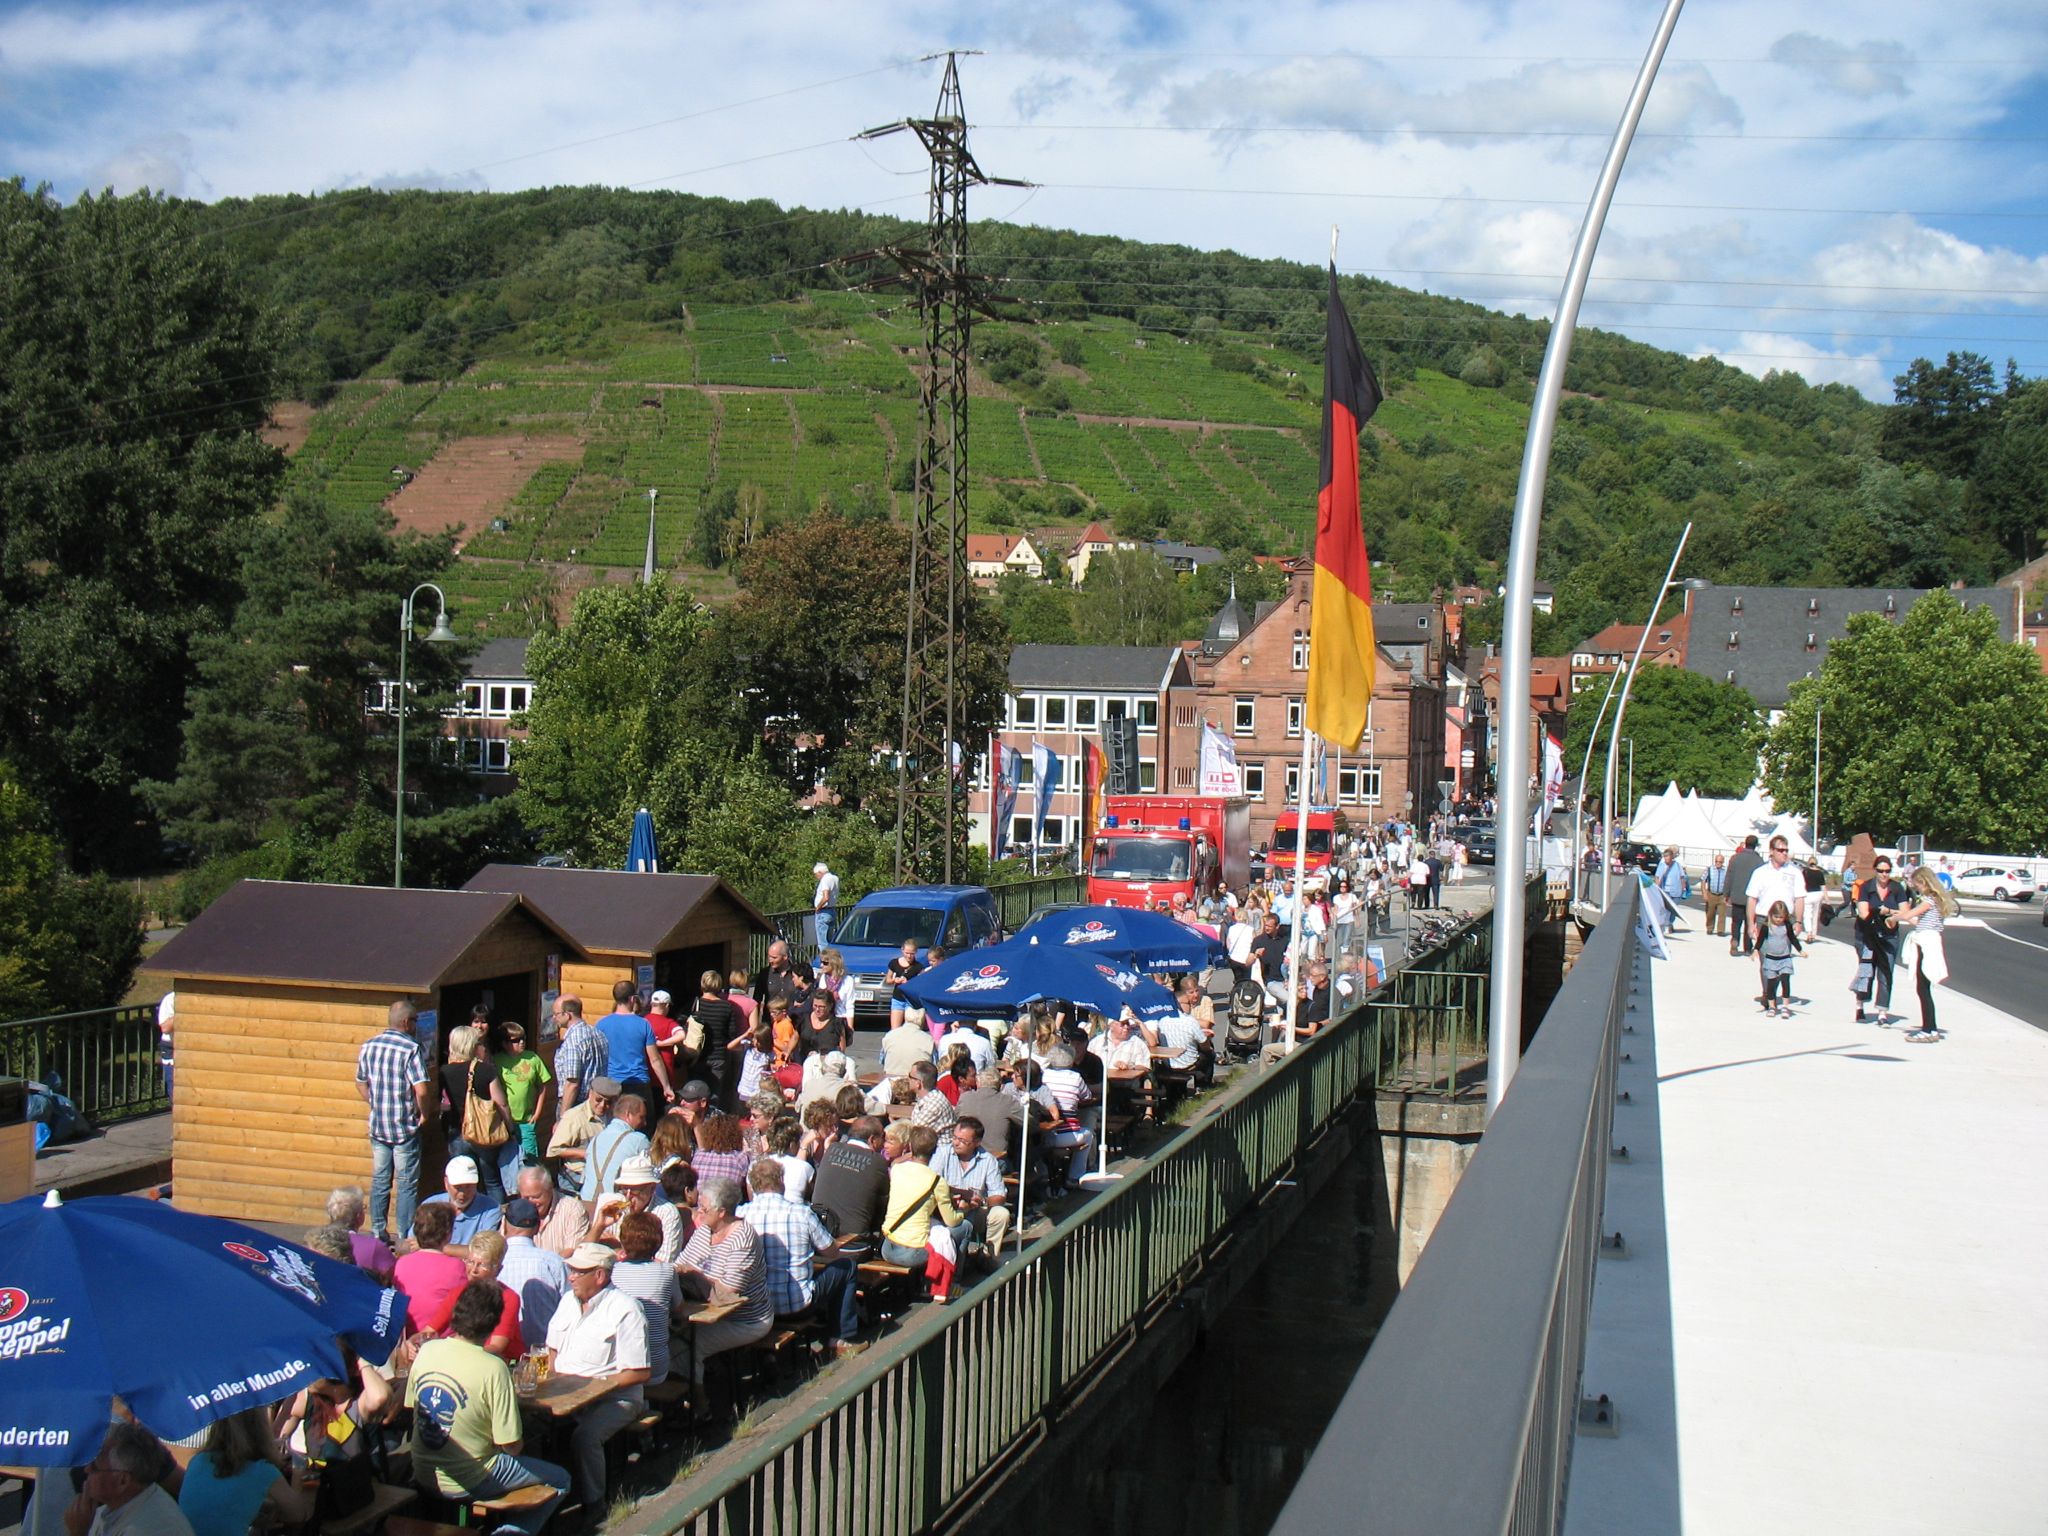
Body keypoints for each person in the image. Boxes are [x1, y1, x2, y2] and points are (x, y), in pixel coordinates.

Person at [411, 1279, 569, 1535]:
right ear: (494, 1322)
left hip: (423, 1470)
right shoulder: (494, 1367)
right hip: (471, 1477)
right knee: (561, 1478)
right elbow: (512, 1445)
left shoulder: (427, 1351)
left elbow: (413, 1407)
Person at [545, 1244, 652, 1509]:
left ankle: (595, 1504)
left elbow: (640, 1371)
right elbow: (552, 1349)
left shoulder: (626, 1310)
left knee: (585, 1437)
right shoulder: (567, 1301)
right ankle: (550, 1499)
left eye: (578, 1271)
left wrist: (597, 1388)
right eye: (571, 1270)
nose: (570, 1276)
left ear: (600, 1276)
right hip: (564, 1394)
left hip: (615, 1400)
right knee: (530, 1428)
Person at [737, 1158, 863, 1357]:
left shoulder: (741, 1214)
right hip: (796, 1305)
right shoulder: (801, 1213)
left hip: (757, 1305)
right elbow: (830, 1251)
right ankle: (840, 1338)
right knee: (847, 1267)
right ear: (780, 1181)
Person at [674, 1177, 775, 1395]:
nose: (698, 1213)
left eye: (704, 1208)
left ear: (721, 1212)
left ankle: (700, 1406)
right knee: (668, 1336)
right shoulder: (705, 1231)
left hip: (746, 1319)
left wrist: (693, 1274)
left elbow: (728, 1292)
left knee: (687, 1347)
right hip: (705, 1311)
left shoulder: (742, 1238)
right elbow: (682, 1262)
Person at [355, 999, 434, 1245]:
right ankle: (404, 1234)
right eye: (415, 1021)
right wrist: (425, 1113)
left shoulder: (369, 1046)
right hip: (404, 1128)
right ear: (405, 1022)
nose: (416, 1026)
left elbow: (360, 1082)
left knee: (380, 1180)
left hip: (379, 1126)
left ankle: (378, 1230)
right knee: (406, 1184)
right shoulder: (410, 1048)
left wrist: (375, 1103)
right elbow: (421, 1090)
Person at [176, 1407, 312, 1536]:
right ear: (260, 1429)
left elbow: (217, 1504)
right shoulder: (262, 1470)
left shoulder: (198, 1460)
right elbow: (298, 1515)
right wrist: (299, 1472)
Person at [62, 1424, 194, 1536]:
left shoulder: (148, 1529)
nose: (86, 1469)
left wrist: (78, 1533)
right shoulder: (115, 1507)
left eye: (95, 1466)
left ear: (123, 1481)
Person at [880, 1121, 962, 1301]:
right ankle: (950, 1283)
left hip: (887, 1246)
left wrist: (911, 1152)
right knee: (960, 1229)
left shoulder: (897, 1170)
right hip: (912, 1253)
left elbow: (896, 1162)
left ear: (909, 1147)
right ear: (934, 1152)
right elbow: (952, 1220)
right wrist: (964, 1209)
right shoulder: (936, 1181)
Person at [417, 1231, 523, 1361]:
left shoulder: (508, 1298)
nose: (473, 1270)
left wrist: (456, 1356)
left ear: (498, 1269)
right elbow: (429, 1331)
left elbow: (496, 1346)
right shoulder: (458, 1293)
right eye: (470, 1262)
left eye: (482, 1265)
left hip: (500, 1363)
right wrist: (413, 1342)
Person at [608, 1211, 688, 1384]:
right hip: (655, 1369)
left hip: (618, 1367)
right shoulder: (667, 1271)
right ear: (658, 1242)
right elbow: (679, 1309)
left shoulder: (611, 1271)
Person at [931, 1115, 1011, 1260]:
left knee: (1001, 1214)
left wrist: (981, 1201)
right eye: (954, 1137)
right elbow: (931, 1183)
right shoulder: (942, 1153)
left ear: (977, 1142)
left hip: (975, 1210)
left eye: (962, 1141)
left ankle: (989, 1256)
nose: (956, 1143)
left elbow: (999, 1195)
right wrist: (956, 1196)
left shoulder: (988, 1160)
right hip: (946, 1210)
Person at [1893, 868, 1959, 1043]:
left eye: (1917, 885)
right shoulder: (1935, 900)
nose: (1916, 888)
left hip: (1926, 943)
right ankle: (1929, 1028)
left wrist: (1893, 916)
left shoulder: (1929, 900)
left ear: (1923, 882)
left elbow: (1909, 914)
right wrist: (1897, 915)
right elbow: (1917, 920)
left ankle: (1929, 1029)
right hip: (1927, 939)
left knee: (1923, 988)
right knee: (1923, 988)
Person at [497, 1196, 568, 1348]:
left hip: (500, 1351)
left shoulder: (493, 1263)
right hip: (544, 1352)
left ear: (504, 1224)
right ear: (537, 1227)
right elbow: (568, 1310)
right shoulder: (554, 1262)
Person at [809, 1114, 891, 1245]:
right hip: (853, 1243)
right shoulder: (878, 1162)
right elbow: (884, 1202)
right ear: (872, 1139)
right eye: (883, 1137)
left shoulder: (831, 1149)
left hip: (819, 1239)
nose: (884, 1142)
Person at [394, 1201, 469, 1330]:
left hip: (407, 1333)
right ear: (448, 1233)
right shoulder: (456, 1267)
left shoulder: (402, 1263)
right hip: (440, 1338)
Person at [598, 982, 673, 1110]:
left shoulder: (601, 1024)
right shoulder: (643, 1024)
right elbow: (655, 1060)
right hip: (638, 1084)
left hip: (612, 1084)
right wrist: (666, 1087)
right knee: (644, 1126)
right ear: (632, 999)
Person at [1852, 856, 1906, 1025]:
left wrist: (1888, 910)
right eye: (1881, 871)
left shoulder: (1897, 888)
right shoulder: (1866, 887)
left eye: (1887, 871)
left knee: (1886, 971)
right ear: (1875, 870)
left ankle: (1882, 1011)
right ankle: (1860, 1006)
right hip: (1867, 934)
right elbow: (1863, 912)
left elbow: (1904, 911)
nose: (1884, 874)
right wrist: (1878, 911)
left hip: (1888, 936)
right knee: (1866, 971)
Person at [415, 1155, 502, 1246]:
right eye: (457, 1187)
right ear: (446, 1182)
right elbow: (412, 1242)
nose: (463, 1193)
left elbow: (484, 1251)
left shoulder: (490, 1209)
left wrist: (433, 1247)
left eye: (469, 1186)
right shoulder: (430, 1205)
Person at [1744, 836, 1806, 959]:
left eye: (1786, 850)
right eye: (1780, 850)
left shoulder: (1795, 873)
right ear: (1771, 851)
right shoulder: (1760, 872)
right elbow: (1752, 899)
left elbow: (1799, 898)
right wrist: (1751, 924)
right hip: (1764, 921)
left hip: (1785, 921)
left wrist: (1798, 922)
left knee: (1782, 960)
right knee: (1766, 962)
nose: (1784, 853)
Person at [689, 970, 742, 1111]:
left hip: (697, 1055)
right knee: (714, 1096)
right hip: (719, 1056)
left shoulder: (696, 1004)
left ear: (702, 984)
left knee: (694, 1094)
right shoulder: (726, 1006)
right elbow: (732, 1033)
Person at [584, 1092, 652, 1199]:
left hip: (587, 1202)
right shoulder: (639, 1140)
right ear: (628, 1114)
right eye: (641, 1117)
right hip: (615, 1206)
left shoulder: (596, 1138)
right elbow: (650, 1175)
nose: (644, 1123)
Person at [516, 1165, 590, 1259]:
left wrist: (544, 1265)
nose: (531, 1202)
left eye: (536, 1197)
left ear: (550, 1189)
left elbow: (573, 1250)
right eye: (526, 1198)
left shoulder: (572, 1209)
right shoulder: (516, 1211)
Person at [324, 1187, 395, 1283]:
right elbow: (395, 1275)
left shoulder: (314, 1243)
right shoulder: (373, 1247)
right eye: (363, 1208)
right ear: (359, 1216)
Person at [551, 995, 604, 1112]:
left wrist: (564, 1118)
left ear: (567, 1014)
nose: (554, 1018)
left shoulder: (573, 1041)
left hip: (576, 1105)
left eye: (556, 1014)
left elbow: (572, 1083)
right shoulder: (598, 1033)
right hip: (597, 1102)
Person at [1755, 900, 1803, 1018]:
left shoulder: (1786, 926)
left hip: (1785, 958)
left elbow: (1792, 938)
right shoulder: (1767, 927)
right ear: (1771, 915)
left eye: (1781, 917)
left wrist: (1800, 950)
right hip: (1771, 959)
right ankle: (1772, 1007)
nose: (1778, 919)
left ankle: (1785, 1006)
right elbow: (1760, 940)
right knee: (1771, 984)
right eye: (1776, 917)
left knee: (1785, 981)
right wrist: (1755, 950)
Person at [1724, 836, 1763, 957]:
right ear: (1755, 845)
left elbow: (1729, 877)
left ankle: (1735, 941)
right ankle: (1747, 947)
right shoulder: (1759, 861)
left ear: (1745, 844)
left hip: (1737, 896)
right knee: (1749, 922)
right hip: (1752, 898)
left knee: (1736, 922)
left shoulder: (1735, 858)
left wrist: (1726, 893)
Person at [646, 991, 693, 1085]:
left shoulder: (643, 1021)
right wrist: (661, 1043)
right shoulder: (669, 1023)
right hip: (664, 1075)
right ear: (667, 1005)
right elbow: (681, 1035)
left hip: (644, 1075)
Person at [797, 987, 853, 1061]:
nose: (817, 1009)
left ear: (830, 1006)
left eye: (821, 1007)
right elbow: (795, 1037)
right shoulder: (804, 1019)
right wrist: (787, 1052)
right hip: (804, 1063)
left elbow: (842, 1049)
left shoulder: (837, 1023)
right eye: (815, 1005)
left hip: (828, 1066)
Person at [881, 1009, 937, 1078]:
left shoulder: (889, 1035)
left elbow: (882, 1061)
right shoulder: (929, 1040)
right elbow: (935, 1065)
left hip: (890, 1080)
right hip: (916, 1083)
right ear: (923, 1019)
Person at [885, 940, 924, 1032]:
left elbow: (921, 984)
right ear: (902, 950)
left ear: (916, 953)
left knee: (910, 1030)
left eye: (912, 954)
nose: (909, 956)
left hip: (910, 1000)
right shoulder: (894, 963)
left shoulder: (918, 967)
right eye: (907, 953)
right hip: (897, 999)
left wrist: (909, 983)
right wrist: (895, 980)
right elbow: (888, 980)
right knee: (894, 1030)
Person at [1654, 849, 1688, 933]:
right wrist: (1657, 888)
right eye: (1664, 856)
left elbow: (1682, 877)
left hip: (1676, 891)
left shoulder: (1677, 865)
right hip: (1665, 891)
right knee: (1666, 909)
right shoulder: (1661, 866)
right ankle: (1666, 925)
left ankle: (1670, 923)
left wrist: (1683, 889)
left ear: (1672, 857)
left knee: (1674, 910)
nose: (1666, 858)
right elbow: (1657, 877)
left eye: (1667, 856)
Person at [812, 861, 840, 950]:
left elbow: (826, 897)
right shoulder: (835, 878)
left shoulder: (825, 880)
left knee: (823, 943)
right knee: (830, 940)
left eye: (816, 875)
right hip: (832, 911)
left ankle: (825, 962)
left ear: (820, 872)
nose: (817, 877)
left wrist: (818, 907)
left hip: (823, 912)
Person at [1702, 853, 1730, 938]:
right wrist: (1704, 893)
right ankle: (1710, 928)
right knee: (1710, 912)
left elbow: (1729, 882)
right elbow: (1703, 881)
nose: (1718, 863)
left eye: (1720, 862)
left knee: (1722, 913)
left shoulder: (1726, 870)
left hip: (1722, 895)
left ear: (1723, 862)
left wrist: (1728, 895)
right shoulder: (1709, 869)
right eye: (1717, 861)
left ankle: (1720, 930)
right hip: (1711, 894)